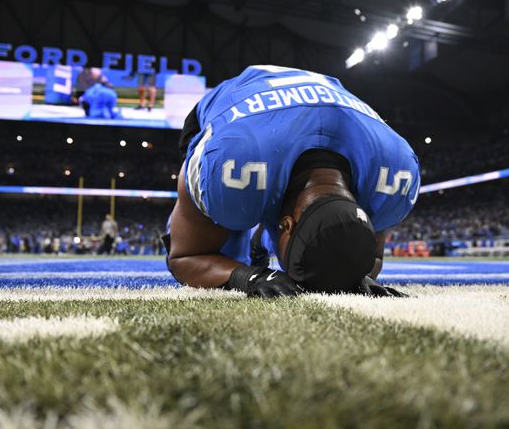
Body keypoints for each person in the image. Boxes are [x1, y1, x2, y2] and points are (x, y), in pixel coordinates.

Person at [164, 65, 420, 298]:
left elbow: (368, 256)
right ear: (284, 224)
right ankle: (256, 237)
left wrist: (352, 272)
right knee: (231, 234)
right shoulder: (230, 164)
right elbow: (187, 256)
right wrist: (246, 276)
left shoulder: (393, 171)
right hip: (233, 110)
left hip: (293, 122)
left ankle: (262, 238)